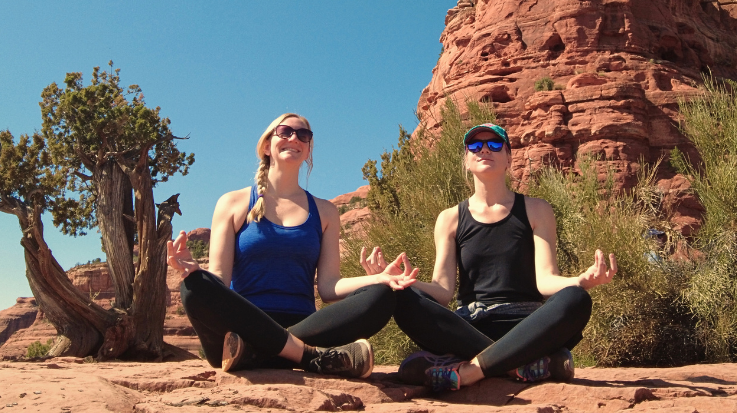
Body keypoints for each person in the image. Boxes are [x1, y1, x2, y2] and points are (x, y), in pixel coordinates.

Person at [363, 122, 616, 391]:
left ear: (508, 158)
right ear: (467, 160)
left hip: (526, 326)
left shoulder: (536, 209)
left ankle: (470, 370)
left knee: (576, 299)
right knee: (400, 299)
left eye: (495, 145)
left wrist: (581, 280)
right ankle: (516, 364)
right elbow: (442, 290)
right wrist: (400, 282)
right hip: (469, 327)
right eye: (475, 145)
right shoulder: (449, 219)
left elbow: (545, 281)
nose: (485, 150)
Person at [167, 113, 418, 378]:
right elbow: (219, 279)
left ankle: (258, 353)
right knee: (194, 286)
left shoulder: (325, 212)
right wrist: (195, 271)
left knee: (382, 296)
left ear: (308, 149)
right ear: (267, 146)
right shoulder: (232, 203)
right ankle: (308, 356)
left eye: (303, 135)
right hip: (243, 323)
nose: (294, 138)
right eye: (285, 131)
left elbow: (329, 288)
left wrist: (378, 279)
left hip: (305, 325)